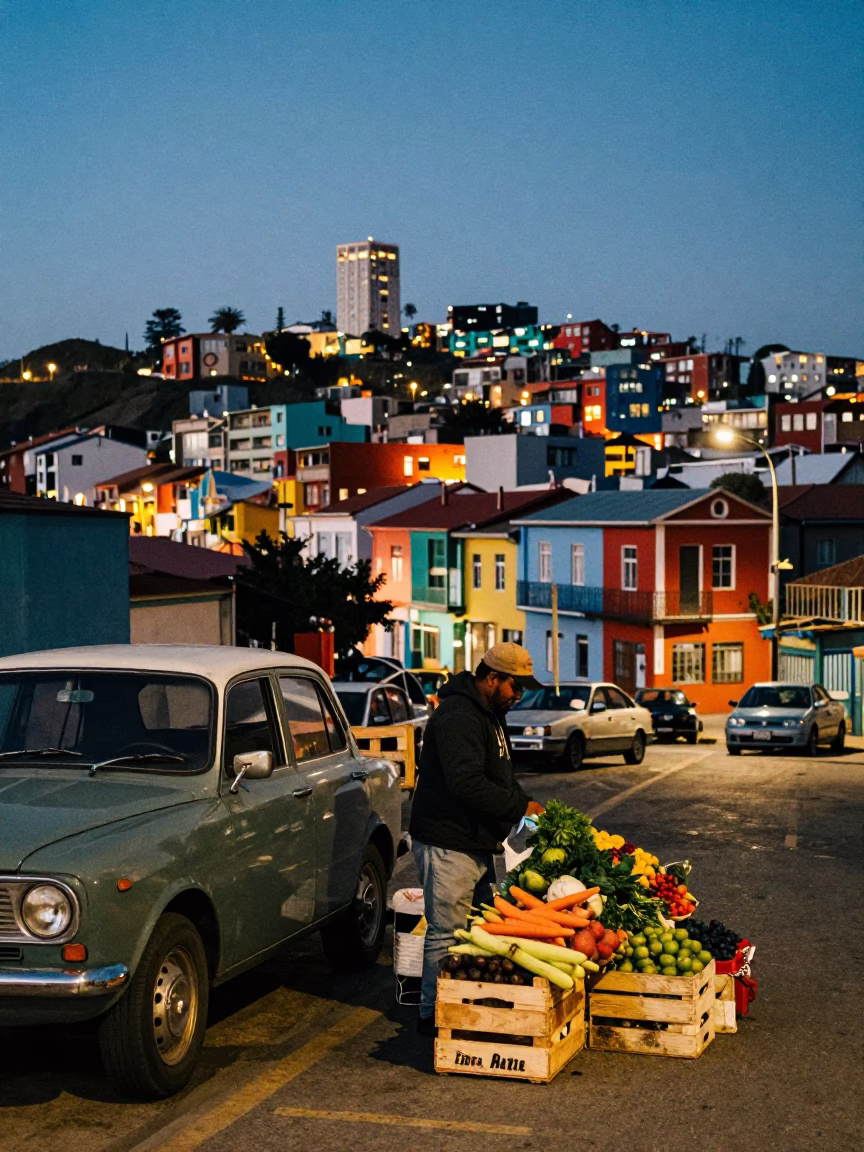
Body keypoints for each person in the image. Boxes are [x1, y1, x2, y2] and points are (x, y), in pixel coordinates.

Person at [409, 642, 545, 1035]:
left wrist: (525, 802)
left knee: (480, 927)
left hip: (475, 842)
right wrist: (517, 808)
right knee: (446, 931)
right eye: (515, 686)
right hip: (448, 841)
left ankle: (465, 1003)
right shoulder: (459, 715)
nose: (518, 696)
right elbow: (466, 783)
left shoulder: (490, 713)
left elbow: (499, 775)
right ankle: (432, 1016)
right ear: (492, 678)